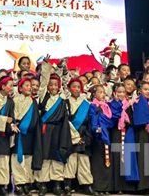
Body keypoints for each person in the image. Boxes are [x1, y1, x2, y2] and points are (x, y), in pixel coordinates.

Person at [38, 61, 72, 196]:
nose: (53, 87)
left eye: (55, 85)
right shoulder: (43, 97)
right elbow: (42, 84)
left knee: (57, 157)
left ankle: (57, 184)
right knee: (45, 157)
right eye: (50, 85)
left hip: (58, 130)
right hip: (45, 131)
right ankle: (43, 185)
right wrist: (46, 68)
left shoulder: (62, 99)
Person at [11, 76, 43, 195]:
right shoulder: (15, 100)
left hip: (31, 135)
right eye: (27, 85)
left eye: (31, 86)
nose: (30, 88)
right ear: (20, 88)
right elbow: (13, 115)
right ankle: (19, 183)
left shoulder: (34, 101)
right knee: (17, 159)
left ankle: (27, 182)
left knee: (28, 159)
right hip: (18, 133)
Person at [88, 83, 122, 195]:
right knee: (99, 161)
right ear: (94, 94)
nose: (102, 95)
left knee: (108, 161)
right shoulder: (93, 106)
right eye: (100, 92)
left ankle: (108, 186)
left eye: (103, 92)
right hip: (98, 136)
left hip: (107, 133)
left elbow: (114, 117)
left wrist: (116, 101)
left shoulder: (107, 106)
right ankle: (99, 186)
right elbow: (93, 118)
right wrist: (95, 128)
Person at [64, 77, 93, 196]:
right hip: (70, 136)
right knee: (70, 161)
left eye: (78, 87)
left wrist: (86, 138)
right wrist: (74, 137)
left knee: (84, 162)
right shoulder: (65, 103)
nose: (76, 89)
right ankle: (67, 186)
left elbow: (90, 123)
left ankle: (87, 186)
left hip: (84, 136)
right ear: (68, 88)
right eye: (74, 87)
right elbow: (65, 122)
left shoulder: (86, 104)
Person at [0, 75, 15, 196]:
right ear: (2, 86)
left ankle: (2, 184)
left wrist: (11, 124)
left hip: (4, 134)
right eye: (10, 86)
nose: (11, 88)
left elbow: (12, 118)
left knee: (4, 160)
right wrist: (4, 119)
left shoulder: (10, 101)